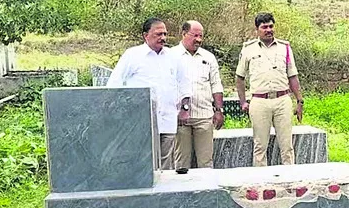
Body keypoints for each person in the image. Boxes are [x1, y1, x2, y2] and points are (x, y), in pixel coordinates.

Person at [106, 17, 191, 170]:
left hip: (167, 119)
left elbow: (184, 84)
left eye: (165, 34)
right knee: (144, 165)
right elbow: (114, 84)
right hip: (141, 122)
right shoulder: (132, 55)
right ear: (146, 35)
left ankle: (164, 193)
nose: (163, 38)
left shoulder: (173, 57)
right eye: (158, 34)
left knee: (165, 165)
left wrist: (185, 109)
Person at [235, 12, 304, 167]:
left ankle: (290, 182)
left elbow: (293, 76)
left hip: (282, 100)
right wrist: (243, 101)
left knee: (287, 146)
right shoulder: (248, 49)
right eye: (264, 27)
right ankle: (261, 185)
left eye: (271, 26)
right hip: (259, 101)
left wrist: (299, 101)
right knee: (260, 147)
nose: (268, 30)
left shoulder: (285, 48)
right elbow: (239, 78)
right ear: (257, 29)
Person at [171, 20, 224, 169]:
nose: (199, 40)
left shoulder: (208, 57)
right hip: (180, 118)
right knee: (181, 163)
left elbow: (216, 85)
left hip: (204, 116)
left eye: (201, 36)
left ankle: (207, 191)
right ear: (183, 34)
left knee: (206, 162)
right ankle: (181, 192)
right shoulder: (171, 56)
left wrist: (219, 111)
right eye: (195, 35)